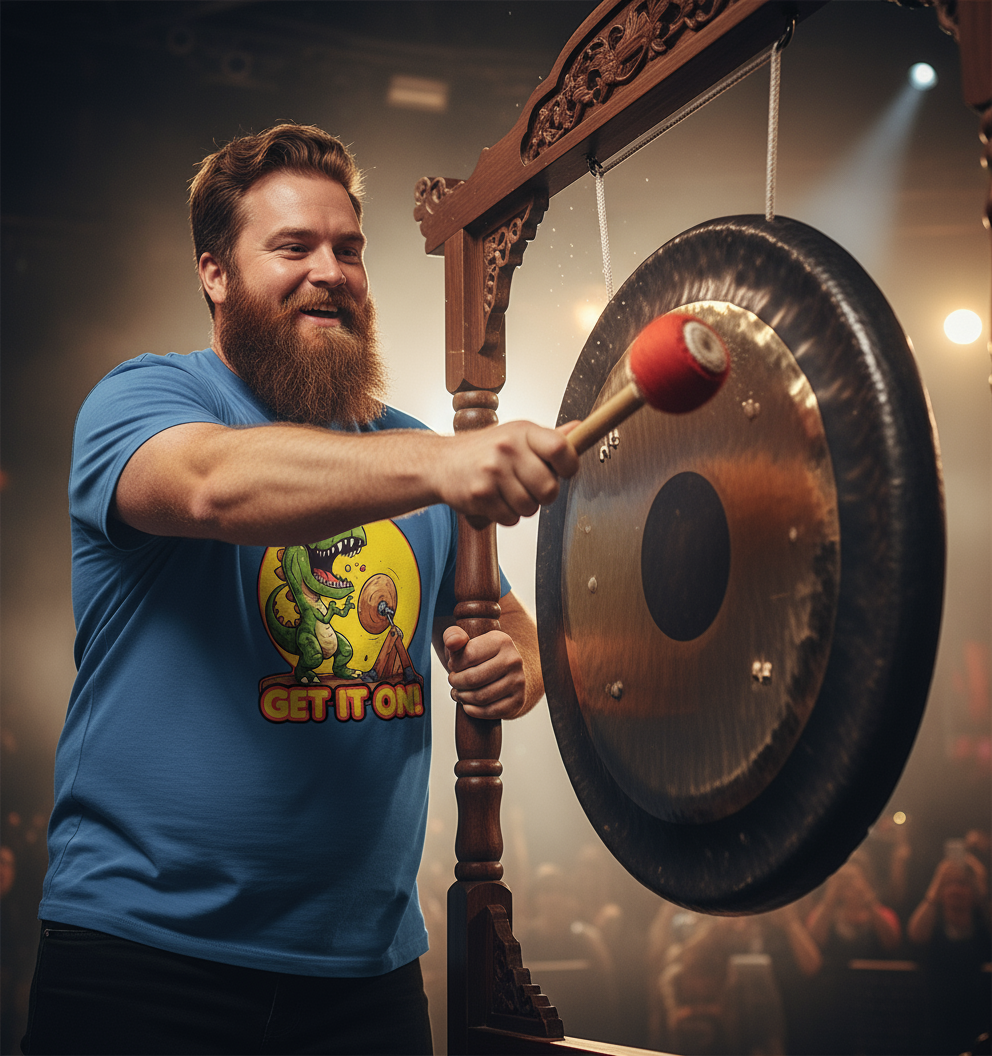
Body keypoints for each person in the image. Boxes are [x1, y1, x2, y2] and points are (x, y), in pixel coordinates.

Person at [22, 122, 579, 1055]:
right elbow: (215, 485)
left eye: (348, 249)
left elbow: (511, 627)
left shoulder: (416, 456)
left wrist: (512, 665)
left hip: (366, 977)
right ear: (214, 273)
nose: (331, 270)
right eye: (293, 247)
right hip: (143, 960)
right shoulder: (142, 402)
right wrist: (445, 462)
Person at [907, 849, 991, 1054]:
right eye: (949, 884)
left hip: (978, 1019)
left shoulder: (983, 926)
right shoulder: (934, 925)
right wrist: (937, 882)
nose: (956, 890)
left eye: (963, 884)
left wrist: (981, 887)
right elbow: (915, 933)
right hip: (937, 1020)